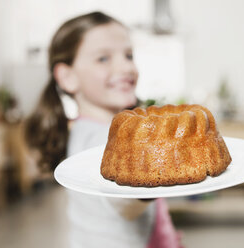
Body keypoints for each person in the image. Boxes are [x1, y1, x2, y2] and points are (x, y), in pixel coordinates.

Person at [24, 12, 182, 248]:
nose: (126, 66)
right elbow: (122, 201)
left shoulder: (100, 131)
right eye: (103, 59)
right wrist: (156, 170)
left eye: (128, 55)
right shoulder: (97, 139)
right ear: (68, 77)